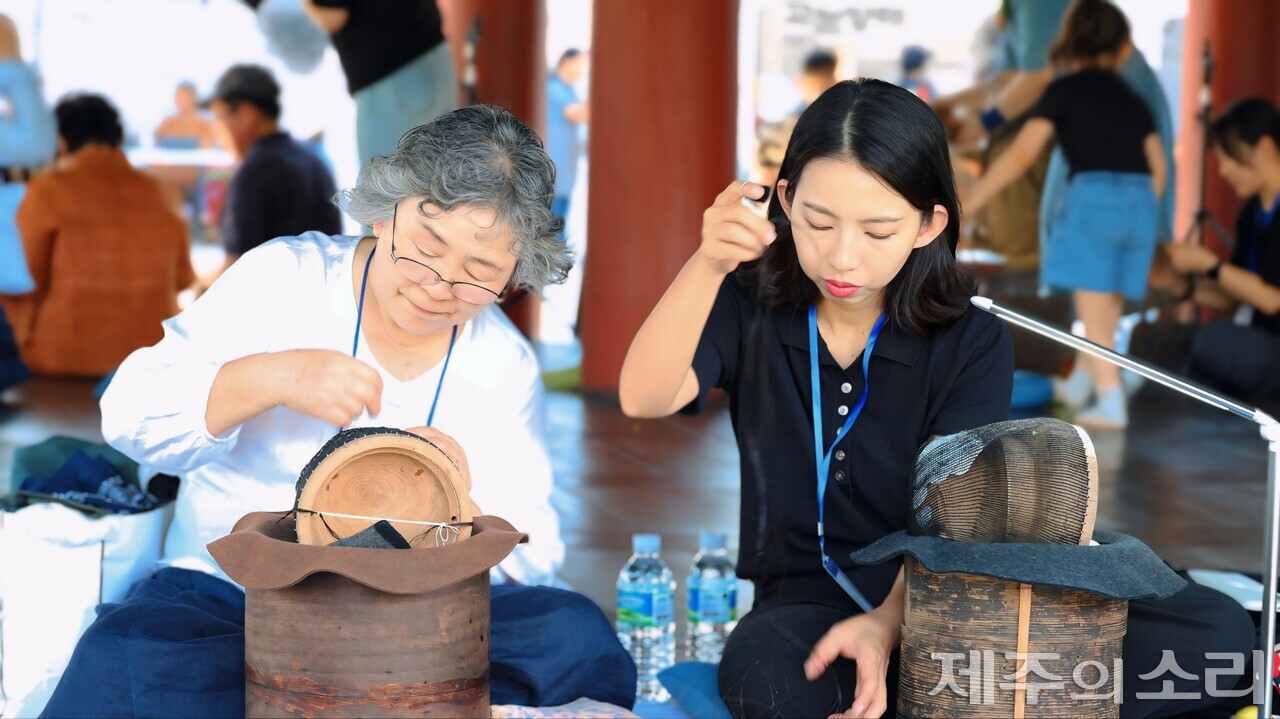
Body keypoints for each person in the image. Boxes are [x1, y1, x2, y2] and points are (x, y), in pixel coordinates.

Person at [618, 78, 1251, 718]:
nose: (843, 256)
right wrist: (706, 263)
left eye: (878, 230)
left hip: (957, 594)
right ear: (784, 199)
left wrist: (888, 625)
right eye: (817, 221)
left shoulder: (969, 338)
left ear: (929, 224)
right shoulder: (750, 302)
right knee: (771, 683)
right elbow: (645, 397)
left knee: (1215, 641)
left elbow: (962, 527)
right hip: (807, 601)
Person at [40, 105, 636, 717]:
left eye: (479, 273)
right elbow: (131, 413)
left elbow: (533, 552)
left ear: (515, 272)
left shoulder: (503, 364)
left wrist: (459, 493)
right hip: (236, 598)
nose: (439, 287)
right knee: (130, 653)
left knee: (572, 634)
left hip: (422, 623)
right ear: (383, 213)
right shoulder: (285, 278)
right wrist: (272, 376)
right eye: (426, 249)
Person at [963, 0, 1166, 430]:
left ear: (1067, 43)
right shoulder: (1133, 101)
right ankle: (1098, 377)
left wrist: (975, 200)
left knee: (1091, 310)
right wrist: (1140, 212)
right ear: (1124, 48)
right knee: (1107, 304)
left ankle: (1111, 400)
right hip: (1139, 204)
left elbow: (1021, 154)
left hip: (1093, 200)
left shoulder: (1064, 91)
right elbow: (1159, 167)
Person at [0, 93, 194, 378]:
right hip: (153, 362)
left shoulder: (47, 191)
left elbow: (22, 283)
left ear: (60, 143)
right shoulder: (163, 191)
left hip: (62, 362)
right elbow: (183, 278)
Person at [1155, 98, 1280, 398]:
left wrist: (1207, 263)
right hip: (1256, 339)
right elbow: (1237, 296)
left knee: (1214, 341)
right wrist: (1182, 288)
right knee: (1153, 339)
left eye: (1230, 158)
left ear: (1263, 147)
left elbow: (1272, 300)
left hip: (1271, 346)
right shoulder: (1251, 212)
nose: (1223, 170)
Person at [203, 64, 341, 279]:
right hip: (322, 301)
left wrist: (196, 298)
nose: (216, 130)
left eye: (219, 117)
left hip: (272, 305)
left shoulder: (253, 172)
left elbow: (236, 269)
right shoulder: (314, 160)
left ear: (248, 113)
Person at [299, 0, 455, 171]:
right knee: (445, 171)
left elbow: (333, 16)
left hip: (391, 78)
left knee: (382, 189)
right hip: (433, 54)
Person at [546, 48, 589, 234]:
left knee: (559, 228)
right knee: (552, 233)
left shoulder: (570, 92)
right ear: (567, 62)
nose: (583, 70)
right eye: (580, 63)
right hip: (553, 175)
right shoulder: (554, 88)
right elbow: (580, 114)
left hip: (565, 176)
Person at [154, 81, 215, 149]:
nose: (181, 101)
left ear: (194, 98)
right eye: (179, 97)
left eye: (185, 97)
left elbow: (207, 150)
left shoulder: (204, 124)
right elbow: (157, 147)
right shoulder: (167, 123)